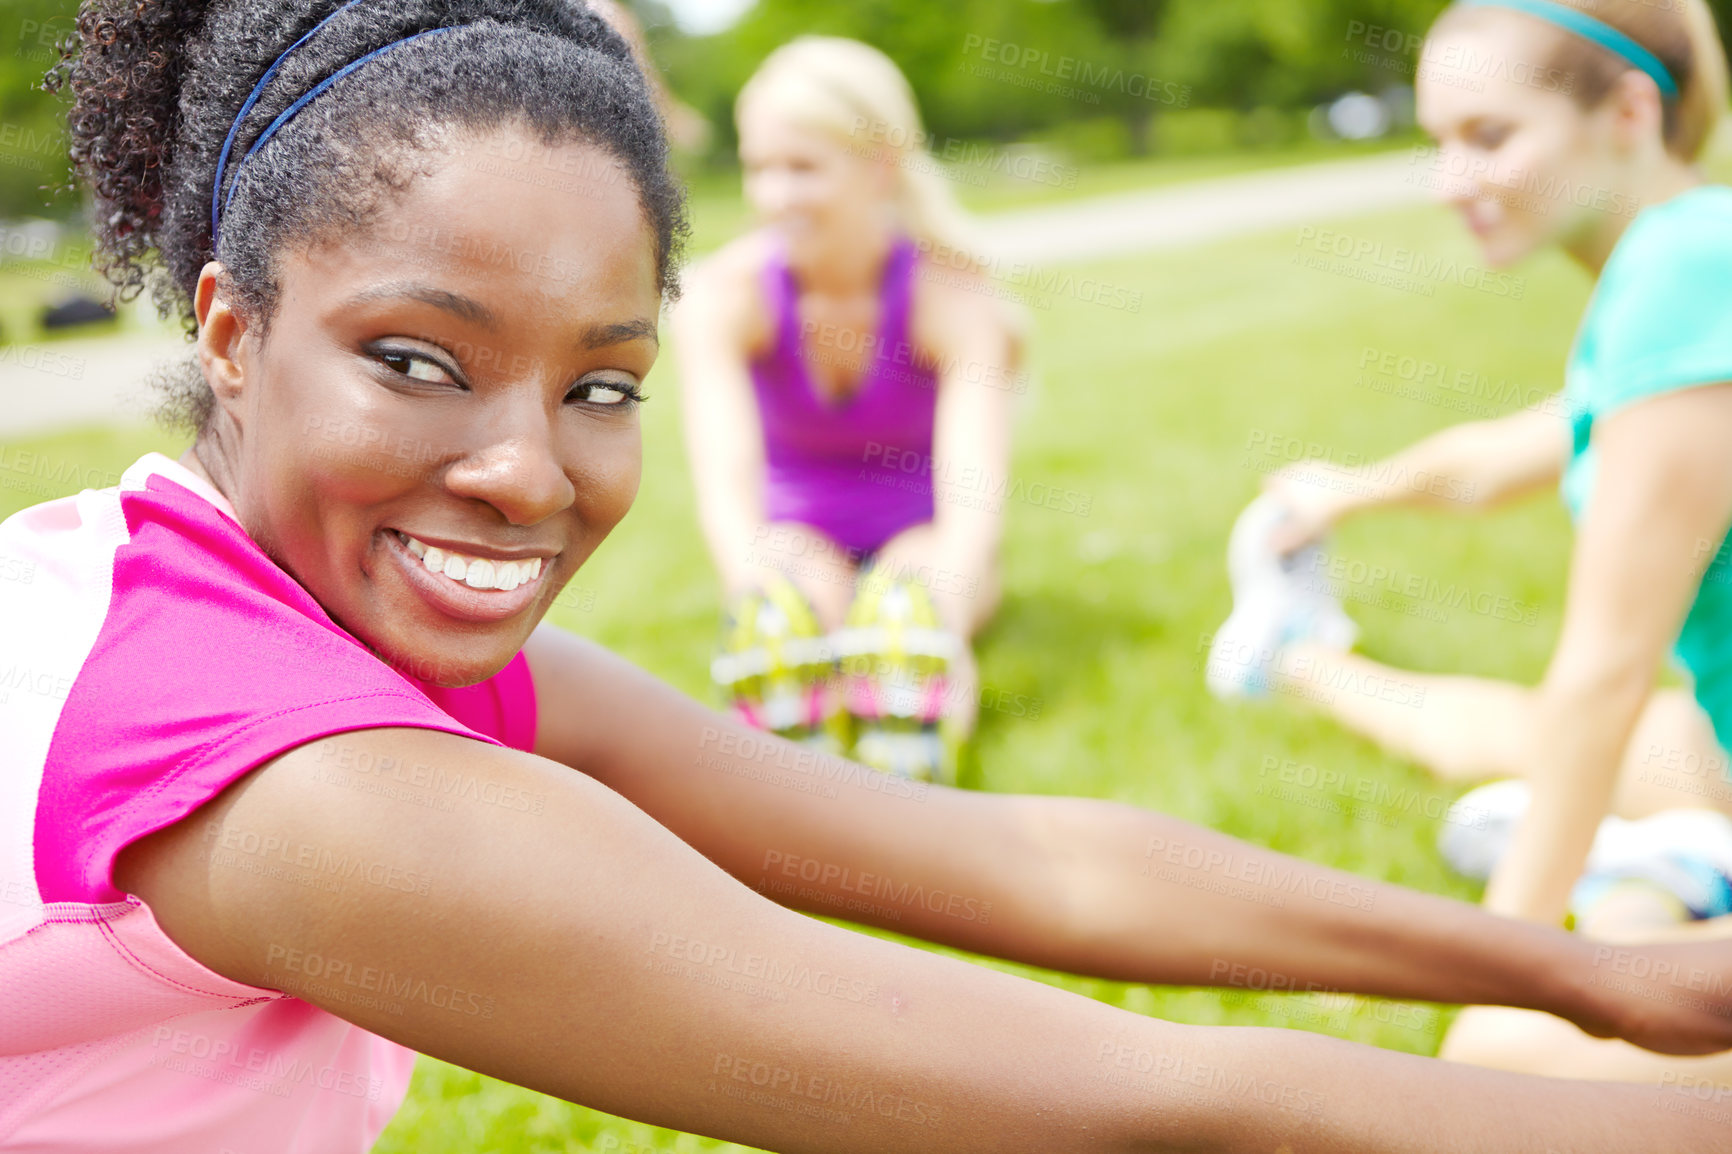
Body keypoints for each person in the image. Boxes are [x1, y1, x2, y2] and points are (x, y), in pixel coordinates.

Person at [10, 2, 1732, 1151]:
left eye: (602, 383)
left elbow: (1030, 859)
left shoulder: (246, 604)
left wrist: (1590, 976)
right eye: (416, 356)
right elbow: (1145, 1090)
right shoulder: (292, 774)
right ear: (231, 328)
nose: (531, 467)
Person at [1206, 0, 1732, 1082]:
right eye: (1437, 139)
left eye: (1488, 137)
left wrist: (1501, 973)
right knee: (1500, 734)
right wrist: (1349, 492)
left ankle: (1647, 887)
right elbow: (1507, 454)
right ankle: (1295, 653)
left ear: (1628, 109)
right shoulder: (1684, 253)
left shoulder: (1689, 277)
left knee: (1504, 1066)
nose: (1451, 181)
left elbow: (1603, 677)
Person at [673, 37, 1022, 783]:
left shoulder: (954, 300)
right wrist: (756, 593)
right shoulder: (727, 297)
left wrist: (949, 620)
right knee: (797, 602)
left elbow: (973, 496)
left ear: (880, 166)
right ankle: (802, 720)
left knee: (910, 601)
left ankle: (909, 742)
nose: (772, 196)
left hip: (921, 535)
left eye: (802, 168)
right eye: (758, 167)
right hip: (799, 534)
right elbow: (725, 484)